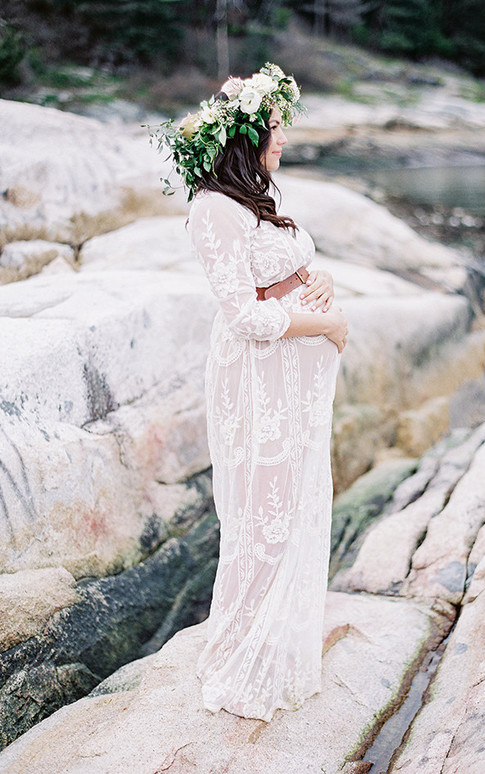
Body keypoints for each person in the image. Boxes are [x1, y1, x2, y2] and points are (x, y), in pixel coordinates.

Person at [155, 63, 348, 722]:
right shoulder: (214, 209)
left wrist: (317, 282)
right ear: (245, 137)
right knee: (262, 516)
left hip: (295, 381)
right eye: (275, 127)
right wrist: (328, 323)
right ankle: (246, 656)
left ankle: (280, 646)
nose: (283, 139)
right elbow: (245, 314)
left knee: (289, 508)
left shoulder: (259, 197)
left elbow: (290, 266)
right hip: (259, 379)